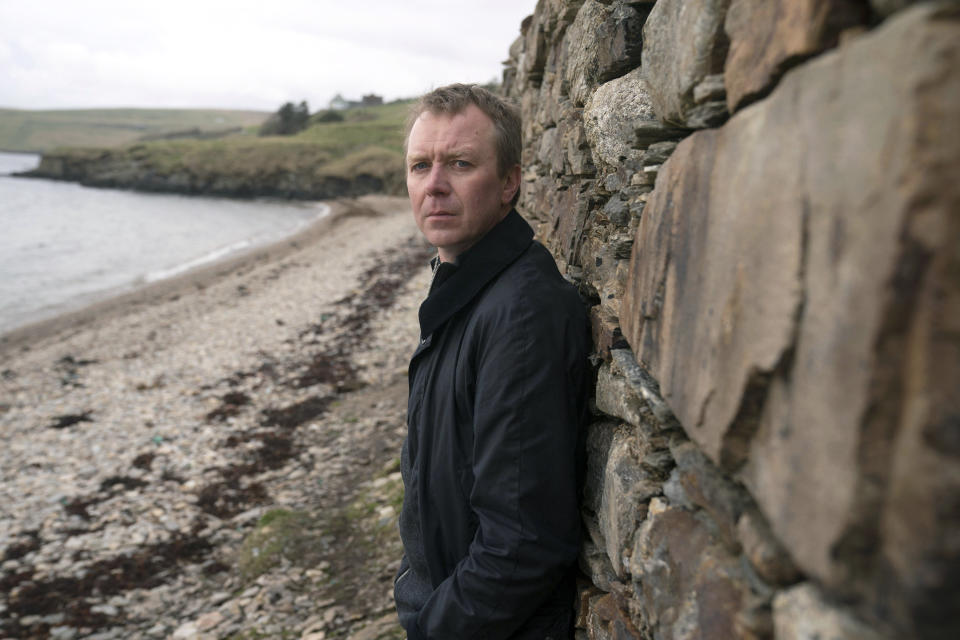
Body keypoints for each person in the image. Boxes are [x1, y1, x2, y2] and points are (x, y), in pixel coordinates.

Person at [394, 83, 590, 639]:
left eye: (459, 164)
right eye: (419, 166)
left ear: (509, 182)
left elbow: (523, 542)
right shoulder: (463, 289)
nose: (434, 186)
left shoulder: (520, 315)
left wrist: (433, 628)